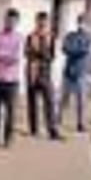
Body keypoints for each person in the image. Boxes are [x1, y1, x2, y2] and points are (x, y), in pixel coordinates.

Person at [0, 9, 23, 148]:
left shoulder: (19, 38)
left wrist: (0, 55)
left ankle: (8, 139)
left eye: (13, 20)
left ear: (17, 22)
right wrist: (5, 55)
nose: (10, 22)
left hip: (11, 80)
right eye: (8, 20)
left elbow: (15, 58)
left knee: (10, 111)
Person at [25, 11, 60, 140]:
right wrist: (37, 54)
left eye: (44, 21)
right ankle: (34, 129)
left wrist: (41, 54)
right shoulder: (30, 36)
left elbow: (52, 55)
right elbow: (27, 53)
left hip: (45, 72)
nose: (42, 23)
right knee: (32, 102)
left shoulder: (50, 37)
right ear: (36, 21)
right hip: (33, 71)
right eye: (40, 20)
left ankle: (52, 130)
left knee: (49, 102)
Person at [59, 14, 91, 133]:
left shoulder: (89, 37)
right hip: (68, 71)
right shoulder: (70, 35)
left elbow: (84, 50)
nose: (81, 24)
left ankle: (80, 123)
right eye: (80, 22)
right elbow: (64, 48)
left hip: (81, 72)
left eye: (83, 22)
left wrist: (73, 50)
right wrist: (75, 49)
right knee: (63, 98)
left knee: (81, 101)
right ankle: (58, 119)